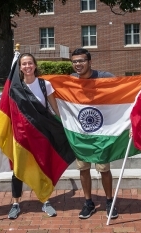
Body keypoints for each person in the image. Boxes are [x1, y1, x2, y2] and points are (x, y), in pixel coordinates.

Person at [8, 53, 60, 219]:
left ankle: (45, 200)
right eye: (24, 64)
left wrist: (63, 127)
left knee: (42, 166)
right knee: (18, 169)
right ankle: (15, 203)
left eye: (30, 63)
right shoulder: (16, 87)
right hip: (21, 135)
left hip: (41, 134)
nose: (27, 66)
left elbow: (54, 109)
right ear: (20, 67)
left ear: (35, 65)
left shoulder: (45, 85)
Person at [70, 48, 118, 219]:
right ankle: (88, 202)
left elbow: (123, 87)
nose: (78, 64)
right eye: (75, 61)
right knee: (83, 168)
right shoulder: (71, 80)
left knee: (104, 169)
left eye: (81, 61)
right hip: (80, 132)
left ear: (90, 62)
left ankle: (109, 200)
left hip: (101, 132)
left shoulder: (104, 77)